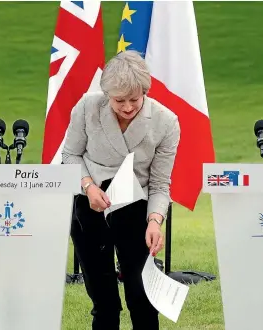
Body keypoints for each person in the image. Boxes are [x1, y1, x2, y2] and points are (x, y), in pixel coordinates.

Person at [62, 50, 180, 330]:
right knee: (103, 301)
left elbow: (161, 184)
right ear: (106, 95)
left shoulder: (166, 122)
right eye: (119, 101)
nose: (127, 107)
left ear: (145, 93)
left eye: (134, 100)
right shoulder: (87, 107)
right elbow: (69, 156)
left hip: (136, 209)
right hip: (89, 206)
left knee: (142, 298)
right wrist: (89, 187)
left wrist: (155, 222)